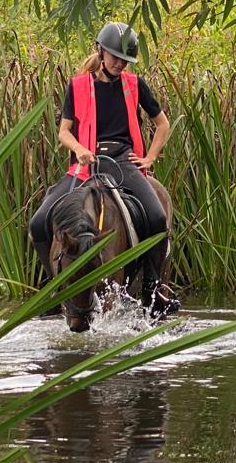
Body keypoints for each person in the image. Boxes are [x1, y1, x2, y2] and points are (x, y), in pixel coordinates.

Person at [29, 21, 180, 314]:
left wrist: (149, 158)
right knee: (37, 223)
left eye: (124, 59)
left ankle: (152, 289)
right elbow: (64, 132)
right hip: (85, 165)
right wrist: (79, 150)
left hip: (123, 161)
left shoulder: (135, 85)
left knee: (158, 218)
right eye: (114, 56)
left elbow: (162, 123)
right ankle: (54, 287)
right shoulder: (77, 85)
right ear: (100, 50)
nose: (119, 63)